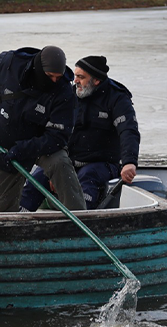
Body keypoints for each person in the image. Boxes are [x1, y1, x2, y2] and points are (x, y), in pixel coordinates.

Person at [0, 45, 86, 212]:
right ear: (39, 68)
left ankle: (79, 216)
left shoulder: (64, 92)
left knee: (60, 162)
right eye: (49, 76)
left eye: (58, 77)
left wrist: (24, 149)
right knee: (3, 209)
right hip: (7, 143)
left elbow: (58, 137)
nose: (54, 81)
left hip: (43, 145)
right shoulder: (9, 63)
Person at [19, 55, 141, 211]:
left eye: (81, 77)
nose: (75, 80)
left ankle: (81, 222)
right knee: (37, 178)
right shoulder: (68, 95)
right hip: (68, 161)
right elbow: (53, 131)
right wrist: (54, 166)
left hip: (101, 164)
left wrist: (129, 162)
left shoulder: (117, 98)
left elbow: (128, 131)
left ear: (96, 80)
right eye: (75, 76)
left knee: (87, 176)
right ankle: (18, 219)